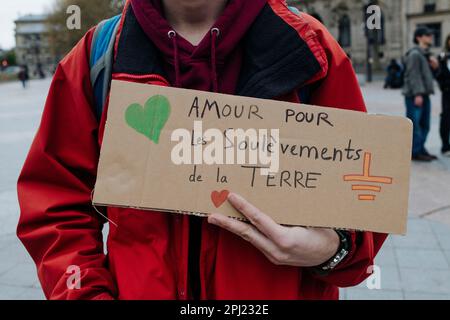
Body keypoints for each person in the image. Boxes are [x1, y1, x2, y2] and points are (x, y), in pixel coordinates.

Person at [17, 0, 387, 300]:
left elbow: (362, 197)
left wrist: (334, 249)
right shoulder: (95, 57)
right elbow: (56, 206)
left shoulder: (312, 49)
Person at [402, 27, 440, 162]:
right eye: (427, 35)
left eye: (431, 35)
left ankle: (420, 149)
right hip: (415, 95)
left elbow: (428, 76)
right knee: (416, 126)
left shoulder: (425, 55)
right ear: (419, 37)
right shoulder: (414, 54)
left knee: (425, 125)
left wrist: (435, 67)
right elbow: (413, 75)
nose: (430, 37)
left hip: (424, 94)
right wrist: (418, 94)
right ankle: (415, 152)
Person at [436, 34, 450, 157]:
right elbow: (439, 75)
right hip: (447, 92)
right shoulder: (443, 57)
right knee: (446, 118)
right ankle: (445, 146)